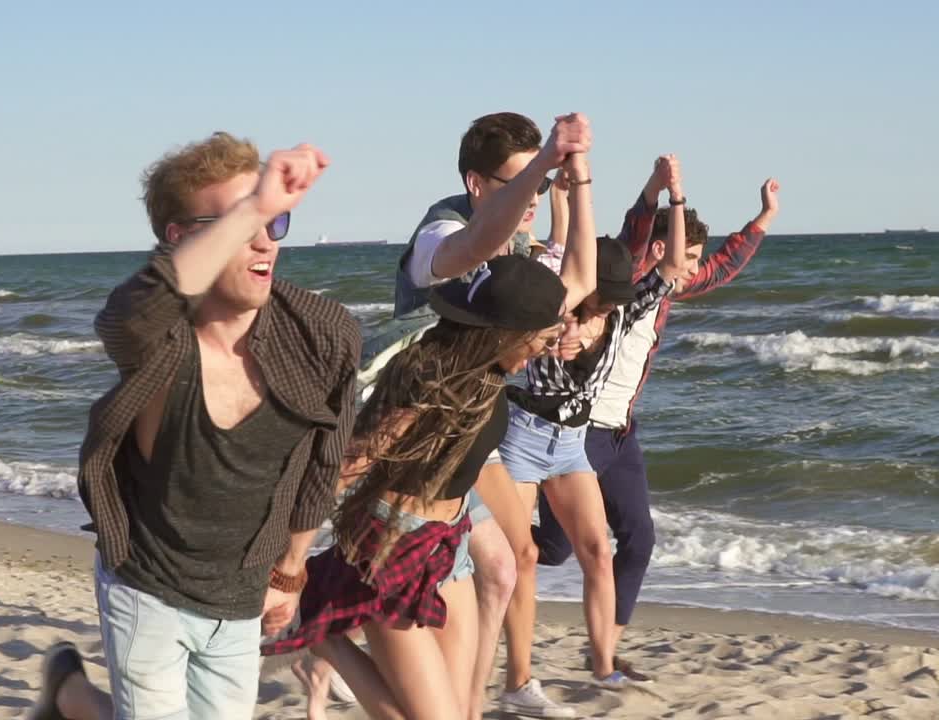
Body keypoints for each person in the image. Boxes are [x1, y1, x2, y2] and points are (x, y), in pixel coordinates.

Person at [28, 133, 361, 720]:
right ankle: (69, 694)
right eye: (239, 223)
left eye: (275, 223)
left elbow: (324, 459)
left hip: (242, 593)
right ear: (182, 238)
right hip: (145, 583)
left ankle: (68, 696)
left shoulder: (321, 333)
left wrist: (288, 573)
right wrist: (256, 203)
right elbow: (130, 311)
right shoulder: (158, 338)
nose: (263, 242)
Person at [331, 111, 590, 719]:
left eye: (538, 181)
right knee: (491, 563)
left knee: (506, 562)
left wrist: (577, 182)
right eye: (520, 182)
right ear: (478, 185)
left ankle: (477, 698)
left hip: (464, 433)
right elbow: (470, 248)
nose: (532, 197)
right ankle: (323, 628)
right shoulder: (438, 230)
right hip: (408, 434)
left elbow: (571, 281)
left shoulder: (519, 238)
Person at [267, 254, 569, 720]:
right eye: (538, 337)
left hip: (449, 547)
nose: (543, 348)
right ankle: (325, 637)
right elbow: (348, 464)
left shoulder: (487, 375)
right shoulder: (431, 378)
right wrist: (288, 568)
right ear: (505, 329)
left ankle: (325, 636)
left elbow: (470, 463)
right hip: (391, 550)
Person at [533, 175, 782, 682]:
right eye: (687, 258)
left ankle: (604, 651)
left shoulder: (663, 293)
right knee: (555, 551)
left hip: (620, 435)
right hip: (577, 432)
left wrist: (764, 219)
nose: (692, 271)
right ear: (664, 248)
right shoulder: (622, 280)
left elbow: (719, 269)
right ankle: (474, 545)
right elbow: (636, 231)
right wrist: (657, 190)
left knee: (638, 541)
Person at [494, 155, 693, 713]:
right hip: (524, 437)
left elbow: (674, 266)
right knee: (523, 560)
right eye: (594, 303)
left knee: (596, 552)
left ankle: (603, 665)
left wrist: (673, 195)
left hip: (571, 443)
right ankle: (518, 681)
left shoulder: (627, 313)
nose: (596, 312)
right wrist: (544, 340)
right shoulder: (554, 309)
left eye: (604, 304)